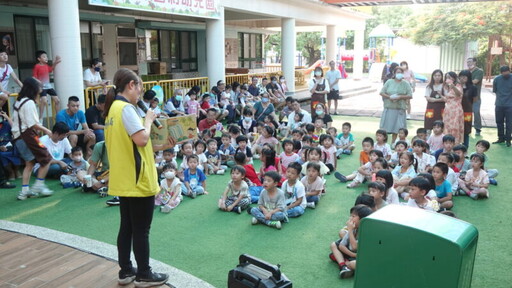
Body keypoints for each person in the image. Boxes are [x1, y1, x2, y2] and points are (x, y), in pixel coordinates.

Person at [103, 68, 173, 286]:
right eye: (140, 87)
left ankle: (126, 271)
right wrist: (149, 119)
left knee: (127, 227)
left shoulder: (113, 109)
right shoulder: (126, 109)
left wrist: (163, 144)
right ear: (131, 85)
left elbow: (133, 144)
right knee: (141, 230)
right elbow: (142, 139)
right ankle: (144, 273)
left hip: (125, 178)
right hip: (138, 179)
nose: (141, 93)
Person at [12, 77, 54, 200]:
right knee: (46, 159)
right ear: (33, 88)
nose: (41, 89)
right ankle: (39, 185)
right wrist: (47, 130)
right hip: (27, 135)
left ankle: (24, 191)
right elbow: (32, 124)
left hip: (18, 137)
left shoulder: (18, 101)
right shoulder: (29, 103)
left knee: (29, 163)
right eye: (39, 87)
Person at [329, 204, 373, 279]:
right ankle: (343, 266)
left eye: (353, 216)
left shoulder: (366, 232)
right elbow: (341, 246)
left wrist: (350, 230)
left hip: (363, 257)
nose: (350, 218)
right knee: (333, 245)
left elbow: (354, 247)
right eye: (351, 216)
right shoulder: (354, 228)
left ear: (362, 219)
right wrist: (352, 255)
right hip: (354, 255)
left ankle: (345, 263)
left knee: (353, 264)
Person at [379, 66, 413, 143]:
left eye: (401, 73)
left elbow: (410, 95)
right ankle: (383, 143)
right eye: (398, 72)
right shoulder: (389, 82)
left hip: (400, 108)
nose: (399, 74)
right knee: (385, 126)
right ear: (394, 73)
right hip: (389, 107)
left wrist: (400, 97)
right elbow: (382, 92)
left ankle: (394, 143)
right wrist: (389, 97)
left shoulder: (406, 84)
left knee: (397, 127)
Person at [33, 50, 61, 118]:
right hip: (41, 87)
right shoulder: (37, 66)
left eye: (46, 56)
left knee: (57, 100)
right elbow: (34, 77)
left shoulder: (46, 65)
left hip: (48, 86)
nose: (46, 58)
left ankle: (58, 117)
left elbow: (51, 69)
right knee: (44, 100)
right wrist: (39, 82)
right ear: (39, 59)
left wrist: (55, 62)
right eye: (44, 57)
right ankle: (41, 117)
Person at [492, 66, 512, 147]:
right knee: (499, 122)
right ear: (501, 73)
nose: (506, 74)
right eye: (504, 72)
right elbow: (495, 90)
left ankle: (508, 139)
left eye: (507, 72)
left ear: (509, 71)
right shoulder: (496, 79)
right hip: (499, 104)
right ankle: (501, 138)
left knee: (509, 123)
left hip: (510, 105)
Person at [442, 72, 464, 145]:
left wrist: (453, 87)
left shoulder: (458, 85)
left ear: (454, 78)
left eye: (450, 77)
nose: (448, 79)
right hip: (448, 109)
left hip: (456, 109)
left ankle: (455, 143)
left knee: (455, 126)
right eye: (447, 77)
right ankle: (447, 143)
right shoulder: (447, 87)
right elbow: (447, 99)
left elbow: (459, 94)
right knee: (447, 126)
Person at [458, 70, 477, 148]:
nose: (462, 78)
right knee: (456, 127)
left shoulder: (473, 87)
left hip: (467, 111)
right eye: (461, 77)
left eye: (464, 77)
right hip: (456, 110)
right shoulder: (456, 86)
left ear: (468, 78)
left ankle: (465, 148)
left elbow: (475, 99)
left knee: (466, 129)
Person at [423, 69, 445, 134]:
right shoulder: (429, 86)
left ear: (441, 76)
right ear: (433, 76)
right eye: (435, 75)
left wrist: (434, 100)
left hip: (441, 109)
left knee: (441, 125)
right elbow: (428, 98)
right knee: (428, 125)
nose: (437, 77)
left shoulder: (444, 86)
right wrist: (440, 99)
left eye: (439, 75)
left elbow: (446, 98)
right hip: (430, 109)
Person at [467, 57, 484, 136]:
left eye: (470, 61)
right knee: (467, 112)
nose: (468, 63)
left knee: (476, 112)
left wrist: (464, 81)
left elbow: (475, 81)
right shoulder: (466, 71)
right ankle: (467, 127)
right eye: (467, 62)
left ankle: (478, 128)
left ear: (475, 62)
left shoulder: (479, 71)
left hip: (476, 97)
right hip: (466, 96)